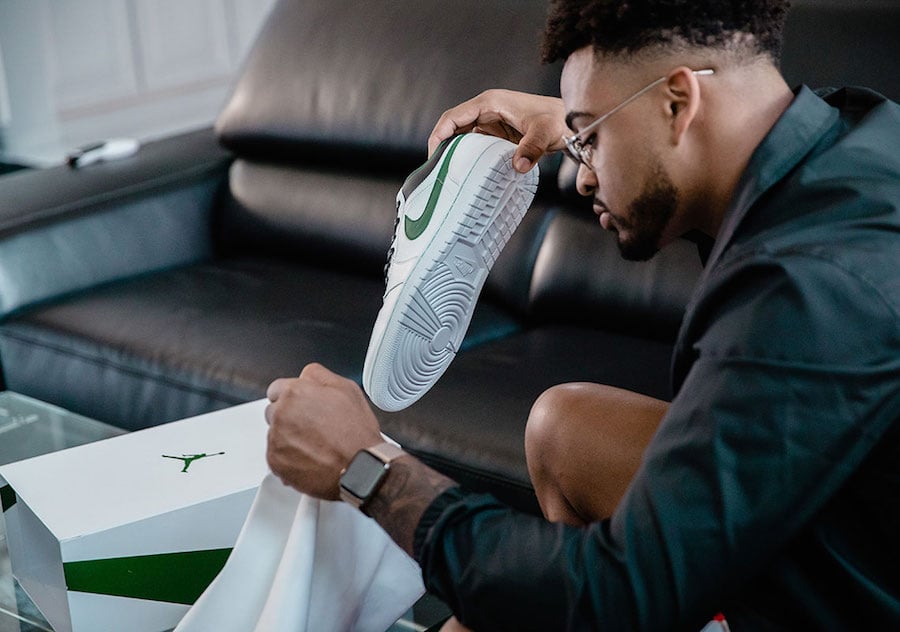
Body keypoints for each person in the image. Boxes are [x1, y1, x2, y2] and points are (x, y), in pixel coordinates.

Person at [264, 0, 900, 629]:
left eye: (589, 139)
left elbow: (616, 595)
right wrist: (587, 116)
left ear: (678, 103)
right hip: (861, 513)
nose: (582, 177)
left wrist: (368, 469)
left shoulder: (805, 294)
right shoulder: (854, 137)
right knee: (563, 427)